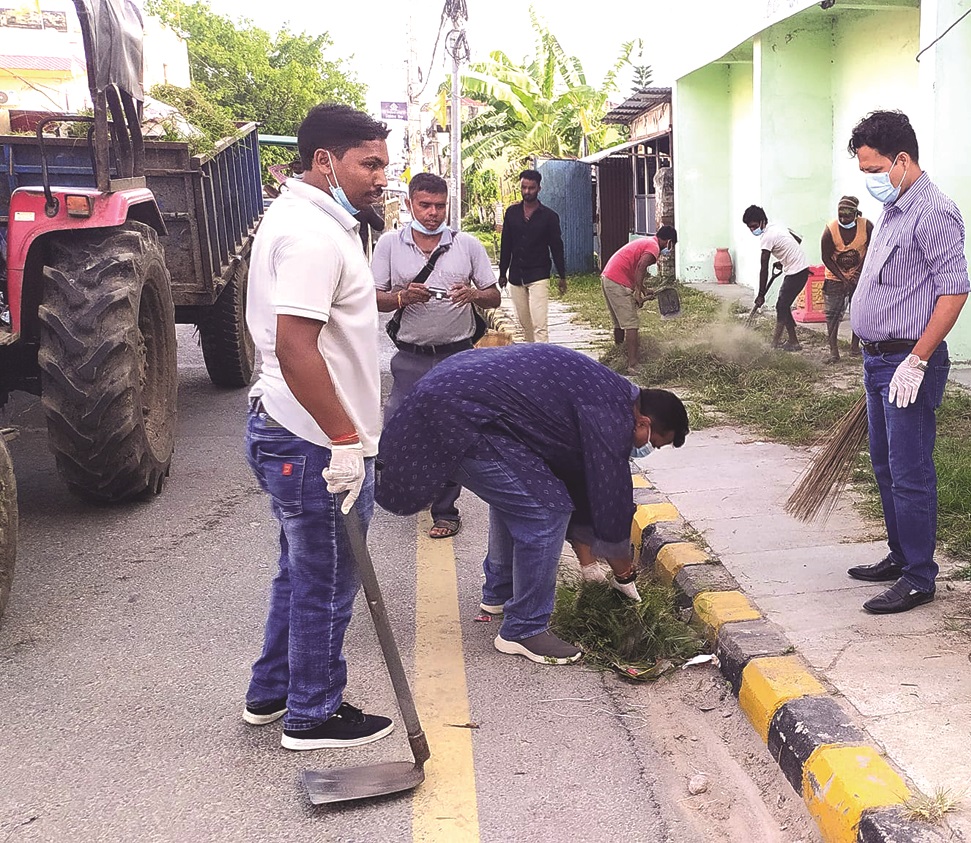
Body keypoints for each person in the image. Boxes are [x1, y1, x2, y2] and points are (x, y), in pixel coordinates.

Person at [375, 344, 690, 664]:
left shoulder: (609, 394)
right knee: (544, 510)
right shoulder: (611, 417)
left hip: (458, 402)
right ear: (643, 423)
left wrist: (588, 565)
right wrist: (624, 576)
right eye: (653, 443)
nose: (646, 449)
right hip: (457, 417)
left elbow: (578, 484)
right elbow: (610, 499)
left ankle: (500, 594)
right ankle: (524, 629)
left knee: (521, 493)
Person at [241, 102, 395, 750]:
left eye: (385, 163)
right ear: (325, 160)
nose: (382, 177)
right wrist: (343, 438)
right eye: (371, 163)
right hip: (310, 438)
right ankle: (312, 711)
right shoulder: (310, 234)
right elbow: (295, 345)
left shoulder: (314, 220)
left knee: (301, 568)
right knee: (327, 577)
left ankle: (272, 689)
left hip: (295, 429)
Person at [842, 110, 970, 615]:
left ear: (901, 159)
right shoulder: (895, 210)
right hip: (878, 361)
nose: (869, 180)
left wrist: (917, 360)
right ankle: (900, 556)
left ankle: (919, 576)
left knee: (910, 469)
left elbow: (954, 293)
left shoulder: (934, 210)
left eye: (873, 169)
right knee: (884, 464)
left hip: (907, 360)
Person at [372, 172, 502, 540]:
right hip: (410, 357)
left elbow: (493, 295)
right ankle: (403, 490)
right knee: (397, 425)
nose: (432, 213)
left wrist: (472, 295)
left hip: (457, 357)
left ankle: (445, 510)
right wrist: (401, 297)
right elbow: (372, 298)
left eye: (440, 206)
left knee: (452, 431)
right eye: (425, 205)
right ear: (411, 203)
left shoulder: (467, 245)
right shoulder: (389, 245)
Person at [497, 168, 567, 343]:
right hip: (516, 276)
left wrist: (562, 275)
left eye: (531, 188)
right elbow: (506, 244)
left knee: (539, 324)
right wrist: (502, 272)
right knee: (525, 325)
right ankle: (531, 360)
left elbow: (556, 247)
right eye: (524, 187)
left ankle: (544, 362)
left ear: (539, 188)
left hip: (539, 274)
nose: (527, 192)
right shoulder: (511, 213)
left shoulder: (550, 217)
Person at [601, 226, 677, 372]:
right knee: (631, 324)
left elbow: (636, 268)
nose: (670, 249)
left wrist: (643, 289)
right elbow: (641, 267)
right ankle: (633, 365)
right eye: (671, 245)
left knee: (619, 322)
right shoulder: (654, 247)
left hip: (608, 277)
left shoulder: (648, 242)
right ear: (668, 242)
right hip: (617, 281)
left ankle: (619, 354)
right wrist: (637, 294)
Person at [742, 205, 812, 351]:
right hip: (799, 269)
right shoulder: (776, 227)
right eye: (750, 228)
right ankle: (793, 342)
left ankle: (775, 343)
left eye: (754, 226)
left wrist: (761, 294)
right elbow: (797, 239)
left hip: (797, 272)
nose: (752, 230)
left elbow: (764, 268)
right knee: (784, 305)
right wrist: (784, 259)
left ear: (762, 221)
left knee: (781, 306)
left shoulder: (767, 237)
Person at [820, 195, 874, 363]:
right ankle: (833, 352)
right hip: (835, 277)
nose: (843, 219)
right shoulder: (830, 230)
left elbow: (873, 250)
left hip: (860, 276)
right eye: (840, 215)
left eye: (848, 216)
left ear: (856, 214)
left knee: (858, 312)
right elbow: (826, 258)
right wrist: (843, 278)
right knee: (833, 315)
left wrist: (858, 274)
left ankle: (854, 347)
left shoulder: (867, 226)